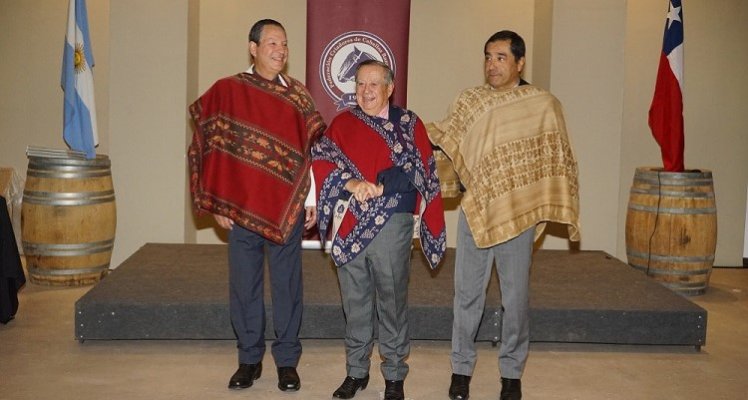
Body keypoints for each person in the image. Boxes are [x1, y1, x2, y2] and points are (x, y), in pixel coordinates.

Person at [428, 31, 581, 400]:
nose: (492, 65)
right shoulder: (471, 101)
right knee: (466, 295)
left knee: (515, 298)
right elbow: (446, 141)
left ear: (519, 62)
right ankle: (461, 369)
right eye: (487, 57)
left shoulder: (542, 104)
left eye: (500, 57)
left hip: (518, 214)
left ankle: (511, 373)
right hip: (477, 212)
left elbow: (557, 157)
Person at [187, 19, 325, 393]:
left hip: (287, 210)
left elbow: (309, 154)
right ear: (253, 48)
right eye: (272, 43)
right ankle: (248, 359)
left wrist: (310, 198)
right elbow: (208, 142)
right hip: (241, 210)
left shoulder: (298, 95)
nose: (280, 50)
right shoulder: (229, 91)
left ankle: (286, 362)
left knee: (287, 286)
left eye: (284, 44)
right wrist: (216, 200)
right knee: (244, 286)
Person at [312, 60, 446, 400]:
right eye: (360, 84)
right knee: (354, 302)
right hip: (351, 222)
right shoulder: (342, 123)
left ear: (390, 88)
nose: (366, 91)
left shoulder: (408, 123)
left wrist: (381, 187)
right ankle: (356, 372)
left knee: (391, 300)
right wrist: (352, 182)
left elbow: (420, 167)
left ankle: (394, 374)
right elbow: (322, 159)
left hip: (391, 223)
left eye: (374, 84)